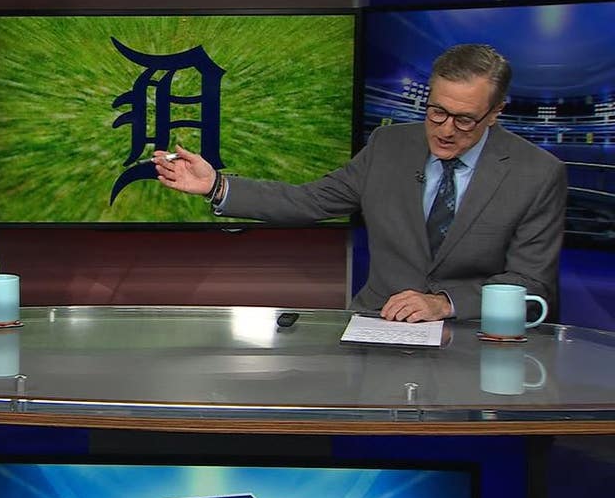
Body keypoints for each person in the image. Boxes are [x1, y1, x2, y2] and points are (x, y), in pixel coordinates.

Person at [154, 43, 566, 323]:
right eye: (436, 111)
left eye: (465, 120)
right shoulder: (389, 145)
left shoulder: (536, 173)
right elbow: (310, 200)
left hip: (473, 336)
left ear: (496, 113)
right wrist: (217, 186)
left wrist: (444, 304)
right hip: (379, 325)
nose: (445, 129)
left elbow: (531, 284)